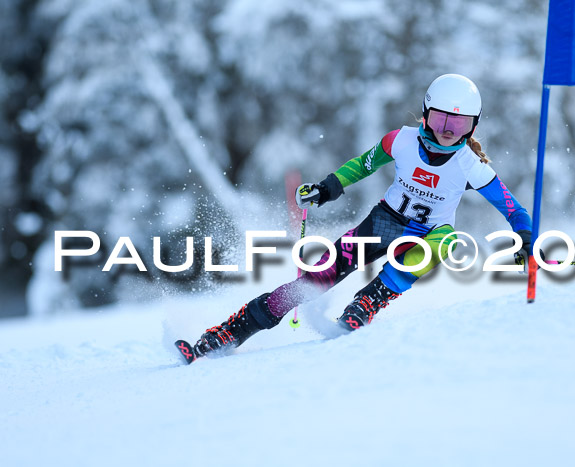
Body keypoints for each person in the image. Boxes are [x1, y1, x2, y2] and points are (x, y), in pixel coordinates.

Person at [192, 73, 535, 356]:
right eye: (441, 118)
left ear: (472, 128)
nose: (447, 129)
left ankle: (368, 301)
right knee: (313, 281)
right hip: (383, 222)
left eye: (458, 123)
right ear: (426, 113)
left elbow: (513, 208)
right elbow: (361, 166)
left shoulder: (470, 166)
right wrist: (327, 188)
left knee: (447, 241)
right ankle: (230, 332)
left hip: (430, 232)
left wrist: (524, 235)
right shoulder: (400, 141)